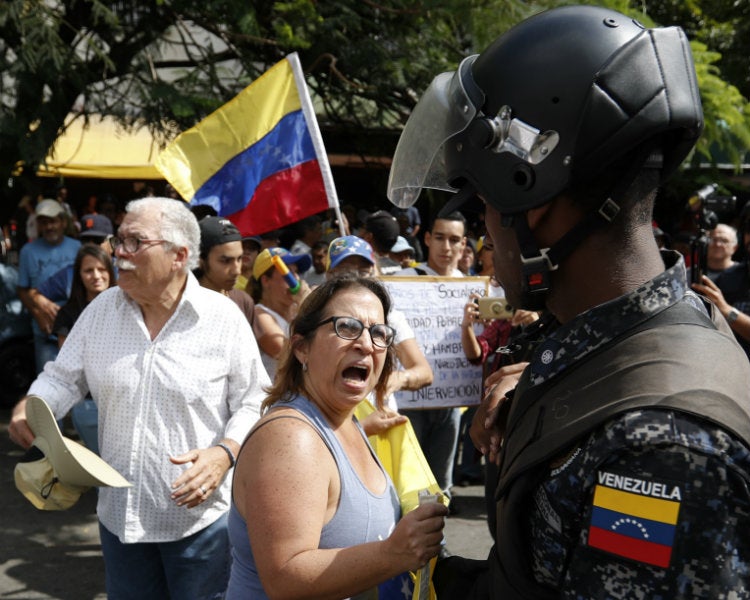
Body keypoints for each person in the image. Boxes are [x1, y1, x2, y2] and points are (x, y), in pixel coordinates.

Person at [387, 6, 750, 597]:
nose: (484, 236)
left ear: (531, 206)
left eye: (483, 209)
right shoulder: (624, 338)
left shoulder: (655, 447)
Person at [9, 196, 269, 599]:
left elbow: (254, 401)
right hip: (120, 523)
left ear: (179, 255)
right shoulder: (100, 312)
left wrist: (225, 453)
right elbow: (61, 378)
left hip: (202, 528)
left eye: (135, 242)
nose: (120, 254)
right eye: (119, 241)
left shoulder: (223, 319)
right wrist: (32, 405)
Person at [225, 274, 448, 599]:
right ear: (301, 347)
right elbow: (286, 578)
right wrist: (394, 553)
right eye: (346, 327)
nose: (365, 343)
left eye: (378, 333)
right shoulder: (291, 438)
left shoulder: (348, 420)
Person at [396, 212, 468, 502]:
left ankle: (439, 546)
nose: (446, 247)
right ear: (427, 239)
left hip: (450, 403)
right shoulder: (402, 281)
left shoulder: (473, 287)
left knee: (441, 482)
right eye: (439, 238)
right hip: (408, 401)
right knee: (406, 481)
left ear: (463, 245)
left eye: (453, 240)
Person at [326, 235, 433, 420]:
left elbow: (424, 372)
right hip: (331, 422)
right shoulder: (317, 318)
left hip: (381, 421)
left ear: (376, 271)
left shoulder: (391, 318)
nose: (355, 277)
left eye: (363, 269)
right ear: (329, 276)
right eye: (345, 270)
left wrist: (395, 379)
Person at [52, 244, 117, 453]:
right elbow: (68, 365)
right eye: (88, 270)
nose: (96, 276)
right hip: (89, 405)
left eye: (102, 269)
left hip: (125, 401)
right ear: (79, 275)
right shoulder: (69, 313)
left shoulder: (130, 306)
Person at [16, 199, 81, 373]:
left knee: (76, 386)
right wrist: (37, 312)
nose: (49, 227)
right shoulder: (28, 251)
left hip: (75, 330)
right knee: (47, 384)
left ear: (63, 222)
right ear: (38, 225)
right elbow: (22, 290)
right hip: (44, 330)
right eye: (44, 222)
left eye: (53, 221)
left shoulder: (77, 248)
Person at [251, 247, 312, 381]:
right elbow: (288, 355)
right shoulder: (259, 315)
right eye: (288, 273)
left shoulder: (295, 313)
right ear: (266, 281)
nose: (295, 279)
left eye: (296, 272)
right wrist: (307, 310)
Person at [196, 216, 255, 326]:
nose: (237, 270)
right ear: (201, 260)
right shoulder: (182, 302)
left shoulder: (243, 301)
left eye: (239, 259)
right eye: (226, 261)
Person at [360, 210, 403, 275]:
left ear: (368, 237)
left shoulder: (364, 271)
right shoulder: (401, 270)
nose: (360, 232)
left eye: (363, 228)